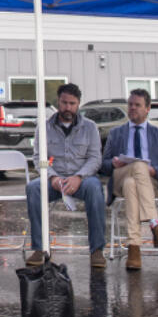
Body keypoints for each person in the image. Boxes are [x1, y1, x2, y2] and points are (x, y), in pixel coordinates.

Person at [25, 83, 108, 269]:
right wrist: (52, 177)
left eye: (72, 103)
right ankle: (40, 248)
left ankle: (97, 250)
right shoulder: (44, 127)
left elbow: (95, 158)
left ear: (79, 104)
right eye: (64, 103)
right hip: (55, 179)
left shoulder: (90, 127)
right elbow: (39, 157)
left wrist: (79, 177)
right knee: (33, 188)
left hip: (83, 179)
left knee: (96, 190)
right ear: (58, 102)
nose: (68, 107)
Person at [99, 88, 158, 270]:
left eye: (137, 105)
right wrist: (113, 163)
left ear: (148, 108)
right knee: (136, 167)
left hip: (148, 183)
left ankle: (134, 249)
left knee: (133, 182)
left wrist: (153, 170)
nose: (132, 108)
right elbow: (102, 165)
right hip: (120, 178)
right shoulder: (116, 133)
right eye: (130, 105)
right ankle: (155, 225)